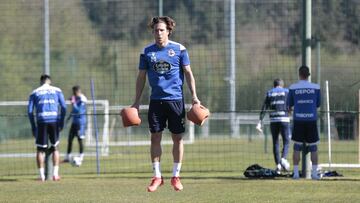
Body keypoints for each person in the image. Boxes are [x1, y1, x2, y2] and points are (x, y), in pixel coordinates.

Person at [132, 16, 200, 192]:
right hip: (156, 101)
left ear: (168, 31)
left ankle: (176, 176)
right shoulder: (146, 52)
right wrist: (136, 102)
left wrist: (194, 97)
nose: (158, 33)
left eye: (161, 30)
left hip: (176, 100)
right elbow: (141, 77)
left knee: (177, 138)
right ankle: (157, 176)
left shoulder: (179, 49)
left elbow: (188, 73)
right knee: (155, 137)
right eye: (155, 30)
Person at [28, 75, 66, 181]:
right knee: (55, 148)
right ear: (50, 81)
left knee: (40, 150)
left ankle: (42, 176)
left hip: (41, 121)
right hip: (54, 120)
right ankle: (55, 174)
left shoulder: (35, 92)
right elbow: (64, 107)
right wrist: (61, 121)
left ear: (41, 81)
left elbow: (30, 111)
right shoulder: (57, 90)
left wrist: (33, 126)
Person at [287, 66, 321, 180]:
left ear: (299, 74)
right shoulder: (316, 87)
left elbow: (289, 105)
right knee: (313, 147)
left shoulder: (293, 88)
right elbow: (318, 104)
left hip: (298, 120)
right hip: (311, 120)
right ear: (308, 75)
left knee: (297, 147)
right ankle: (315, 174)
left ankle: (296, 173)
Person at [257, 79, 291, 173]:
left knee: (275, 142)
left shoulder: (270, 92)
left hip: (274, 120)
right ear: (282, 85)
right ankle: (283, 158)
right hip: (284, 119)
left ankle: (278, 165)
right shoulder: (287, 92)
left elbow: (264, 107)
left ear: (274, 85)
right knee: (286, 141)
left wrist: (260, 121)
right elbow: (291, 105)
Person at [63, 85, 87, 165]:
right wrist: (68, 118)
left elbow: (78, 111)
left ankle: (81, 157)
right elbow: (73, 111)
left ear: (78, 92)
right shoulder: (76, 99)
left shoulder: (82, 99)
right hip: (74, 122)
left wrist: (73, 103)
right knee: (70, 139)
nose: (73, 94)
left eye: (74, 92)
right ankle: (68, 157)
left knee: (80, 140)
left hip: (80, 123)